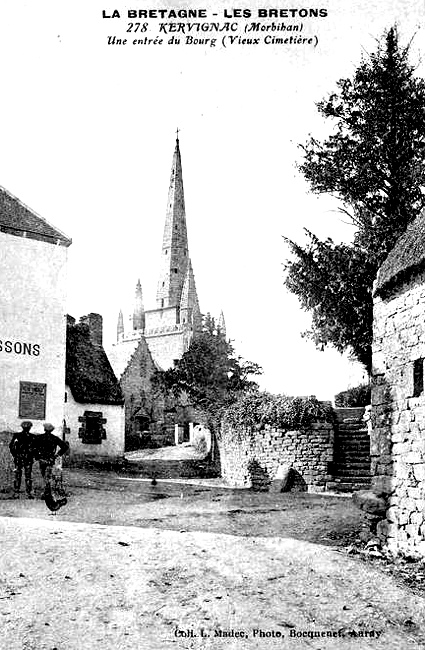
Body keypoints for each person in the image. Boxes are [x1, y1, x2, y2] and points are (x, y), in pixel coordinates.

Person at [34, 423, 69, 498]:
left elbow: (34, 448)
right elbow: (65, 447)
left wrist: (38, 457)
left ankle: (46, 493)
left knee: (45, 475)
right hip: (50, 459)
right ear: (51, 430)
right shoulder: (55, 438)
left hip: (42, 459)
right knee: (48, 475)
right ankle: (47, 492)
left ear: (44, 429)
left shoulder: (39, 437)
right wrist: (57, 455)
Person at [9, 421, 36, 499]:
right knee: (28, 476)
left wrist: (15, 455)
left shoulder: (17, 435)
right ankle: (29, 493)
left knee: (18, 476)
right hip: (27, 459)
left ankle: (16, 493)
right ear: (30, 428)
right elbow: (36, 448)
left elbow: (11, 446)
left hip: (19, 459)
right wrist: (32, 455)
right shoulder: (32, 436)